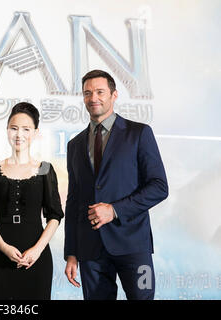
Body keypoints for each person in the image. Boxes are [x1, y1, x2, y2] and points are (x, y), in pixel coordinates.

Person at [64, 70, 168, 300]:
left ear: (114, 95)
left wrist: (114, 210)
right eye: (87, 93)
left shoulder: (139, 133)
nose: (94, 98)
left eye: (100, 92)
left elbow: (159, 186)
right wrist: (71, 252)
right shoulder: (75, 145)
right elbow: (73, 203)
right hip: (90, 249)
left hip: (134, 245)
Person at [0, 102, 64, 300]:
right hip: (1, 254)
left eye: (26, 129)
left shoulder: (45, 169)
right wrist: (3, 247)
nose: (19, 135)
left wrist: (37, 250)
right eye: (14, 128)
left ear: (35, 133)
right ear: (7, 130)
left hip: (37, 255)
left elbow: (54, 215)